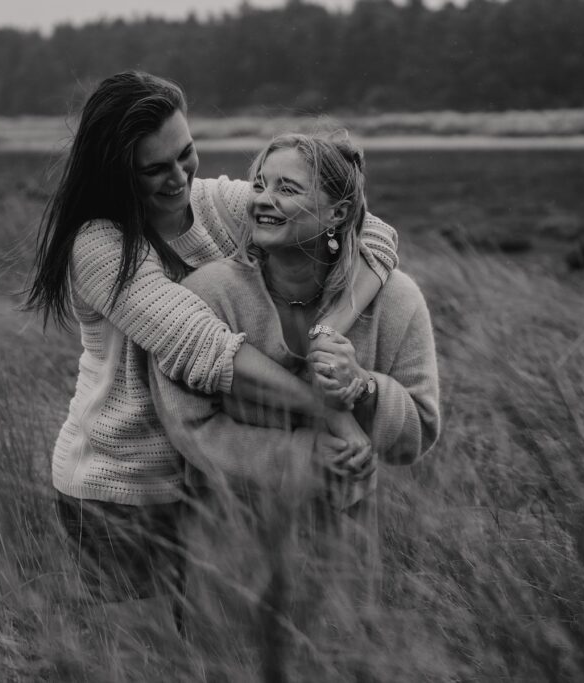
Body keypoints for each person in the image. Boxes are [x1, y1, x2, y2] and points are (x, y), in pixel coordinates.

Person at [24, 72, 400, 611]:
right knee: (142, 656)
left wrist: (330, 329)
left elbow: (372, 232)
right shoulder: (98, 245)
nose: (178, 177)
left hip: (216, 479)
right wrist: (332, 414)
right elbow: (205, 348)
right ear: (116, 172)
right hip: (122, 489)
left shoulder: (218, 203)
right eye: (154, 169)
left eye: (186, 154)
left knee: (223, 649)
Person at [149, 131, 440, 646]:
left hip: (343, 549)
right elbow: (187, 426)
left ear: (335, 213)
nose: (262, 199)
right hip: (227, 541)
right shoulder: (207, 293)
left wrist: (366, 388)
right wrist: (304, 456)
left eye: (287, 188)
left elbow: (413, 439)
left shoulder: (396, 301)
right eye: (259, 184)